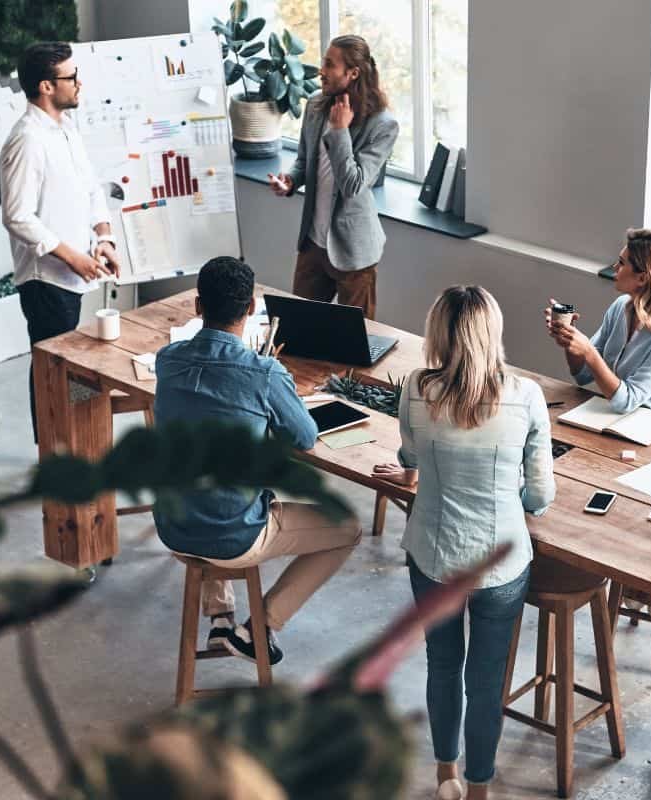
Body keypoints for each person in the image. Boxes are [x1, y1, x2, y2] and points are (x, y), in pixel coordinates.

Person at [373, 286, 555, 800]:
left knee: (443, 663)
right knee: (486, 678)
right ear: (491, 333)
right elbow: (540, 495)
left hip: (432, 557)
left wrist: (423, 468)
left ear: (438, 334)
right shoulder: (525, 396)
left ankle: (444, 775)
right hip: (500, 564)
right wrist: (509, 492)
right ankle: (479, 789)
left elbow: (410, 455)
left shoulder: (414, 387)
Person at [153, 257, 362, 665]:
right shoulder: (264, 372)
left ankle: (219, 617)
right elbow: (303, 436)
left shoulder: (168, 360)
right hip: (233, 537)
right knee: (349, 527)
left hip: (173, 524)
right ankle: (260, 628)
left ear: (198, 306)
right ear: (251, 308)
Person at [0, 42, 119, 441]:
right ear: (47, 86)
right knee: (52, 368)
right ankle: (55, 451)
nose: (79, 84)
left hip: (74, 270)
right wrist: (71, 257)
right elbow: (17, 216)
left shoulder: (67, 130)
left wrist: (104, 238)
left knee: (62, 364)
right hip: (46, 279)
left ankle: (64, 445)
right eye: (71, 78)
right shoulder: (27, 140)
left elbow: (90, 190)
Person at [267, 34, 398, 321]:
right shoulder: (315, 106)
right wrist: (289, 181)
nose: (321, 71)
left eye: (329, 65)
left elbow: (353, 185)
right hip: (313, 243)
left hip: (354, 252)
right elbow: (305, 161)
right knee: (296, 329)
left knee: (355, 342)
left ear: (352, 73)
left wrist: (340, 131)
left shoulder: (383, 124)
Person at [545, 228, 651, 419]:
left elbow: (627, 400)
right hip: (623, 418)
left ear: (642, 278)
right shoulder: (620, 308)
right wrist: (570, 340)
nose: (615, 267)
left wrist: (588, 351)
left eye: (622, 263)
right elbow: (582, 375)